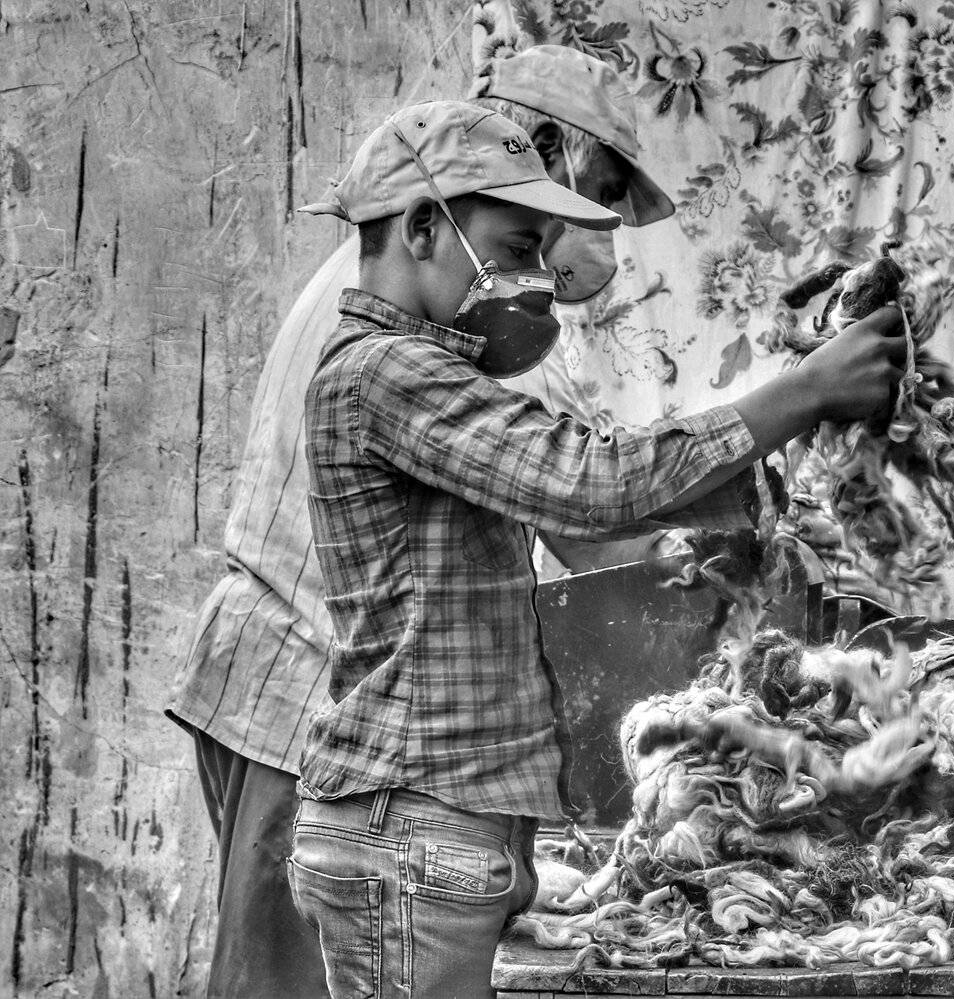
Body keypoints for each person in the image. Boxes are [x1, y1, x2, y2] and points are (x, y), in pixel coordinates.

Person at [285, 99, 905, 998]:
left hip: (442, 825)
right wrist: (804, 394)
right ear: (423, 228)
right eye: (515, 248)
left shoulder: (437, 378)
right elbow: (591, 479)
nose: (536, 278)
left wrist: (747, 504)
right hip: (410, 824)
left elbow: (585, 510)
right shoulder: (385, 372)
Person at [166, 47, 697, 999]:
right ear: (541, 152)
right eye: (605, 190)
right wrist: (703, 543)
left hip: (266, 672)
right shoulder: (469, 322)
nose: (602, 228)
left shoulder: (383, 272)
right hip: (321, 710)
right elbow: (588, 513)